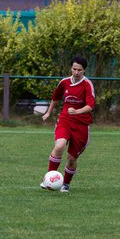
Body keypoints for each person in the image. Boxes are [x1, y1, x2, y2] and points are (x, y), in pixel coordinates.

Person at [40, 55, 95, 192]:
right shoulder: (64, 82)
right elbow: (55, 97)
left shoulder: (87, 85)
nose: (76, 73)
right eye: (74, 69)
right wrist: (48, 112)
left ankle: (66, 184)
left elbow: (90, 106)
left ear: (84, 71)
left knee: (71, 158)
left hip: (81, 125)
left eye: (79, 70)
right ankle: (48, 179)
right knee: (59, 146)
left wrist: (77, 112)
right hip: (65, 120)